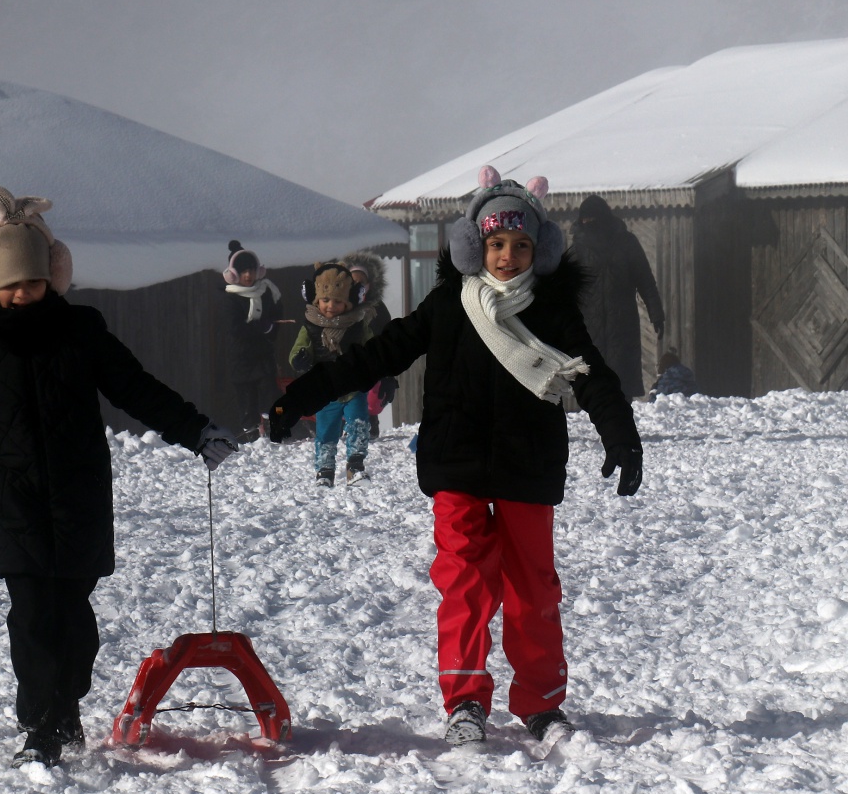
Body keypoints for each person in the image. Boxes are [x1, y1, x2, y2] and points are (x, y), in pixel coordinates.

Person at [267, 167, 643, 746]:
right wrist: (300, 398)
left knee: (533, 590)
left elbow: (591, 375)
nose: (508, 257)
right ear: (475, 247)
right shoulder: (449, 304)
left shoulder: (552, 311)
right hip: (456, 463)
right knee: (464, 583)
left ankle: (542, 704)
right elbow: (375, 357)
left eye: (521, 246)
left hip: (528, 465)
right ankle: (465, 701)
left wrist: (621, 435)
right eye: (497, 244)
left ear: (539, 250)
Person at [0, 186, 238, 767]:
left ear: (53, 276)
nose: (22, 294)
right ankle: (40, 725)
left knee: (74, 616)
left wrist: (195, 430)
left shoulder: (80, 330)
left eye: (33, 282)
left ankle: (66, 704)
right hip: (10, 497)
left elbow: (135, 387)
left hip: (77, 493)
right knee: (31, 613)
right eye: (10, 284)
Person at [288, 261, 377, 486]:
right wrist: (299, 359)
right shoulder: (310, 326)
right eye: (325, 300)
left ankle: (355, 466)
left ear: (350, 302)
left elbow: (372, 347)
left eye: (338, 301)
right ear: (315, 299)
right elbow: (298, 348)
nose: (331, 306)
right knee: (326, 431)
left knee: (358, 423)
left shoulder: (357, 324)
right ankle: (325, 471)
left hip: (353, 387)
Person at [570, 195, 665, 399]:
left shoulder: (626, 243)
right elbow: (566, 289)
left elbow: (645, 280)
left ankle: (620, 418)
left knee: (621, 384)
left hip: (622, 326)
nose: (588, 223)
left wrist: (656, 313)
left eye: (592, 219)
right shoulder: (578, 248)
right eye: (584, 219)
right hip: (590, 327)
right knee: (594, 386)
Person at [221, 241, 283, 440]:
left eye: (251, 270)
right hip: (241, 358)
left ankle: (277, 426)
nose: (248, 275)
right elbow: (235, 327)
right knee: (247, 400)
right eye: (243, 271)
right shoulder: (230, 298)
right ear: (234, 274)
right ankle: (252, 436)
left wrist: (271, 327)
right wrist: (260, 327)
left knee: (272, 394)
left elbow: (276, 315)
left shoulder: (266, 292)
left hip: (263, 354)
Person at [345, 253, 398, 437]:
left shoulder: (378, 309)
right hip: (346, 364)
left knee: (370, 396)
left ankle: (370, 422)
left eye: (362, 282)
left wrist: (389, 375)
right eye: (353, 282)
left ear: (369, 285)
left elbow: (388, 341)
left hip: (371, 365)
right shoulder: (339, 306)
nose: (357, 286)